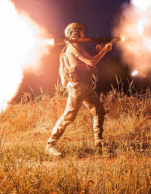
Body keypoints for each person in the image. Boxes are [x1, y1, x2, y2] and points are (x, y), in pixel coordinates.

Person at [46, 23, 113, 157]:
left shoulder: (77, 46)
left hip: (85, 86)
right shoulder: (73, 47)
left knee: (98, 110)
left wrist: (99, 50)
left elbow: (87, 61)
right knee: (69, 116)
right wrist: (104, 50)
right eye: (82, 32)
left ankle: (98, 141)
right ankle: (50, 145)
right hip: (77, 86)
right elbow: (91, 62)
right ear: (74, 32)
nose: (85, 34)